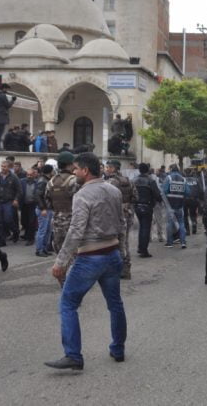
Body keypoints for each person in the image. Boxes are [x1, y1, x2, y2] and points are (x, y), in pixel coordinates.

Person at [45, 153, 127, 371]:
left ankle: (73, 355)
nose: (74, 172)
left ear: (86, 171)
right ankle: (118, 349)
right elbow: (122, 222)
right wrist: (121, 251)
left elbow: (76, 229)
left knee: (67, 303)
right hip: (112, 254)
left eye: (76, 169)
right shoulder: (114, 190)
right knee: (115, 304)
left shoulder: (82, 194)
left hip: (90, 256)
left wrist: (61, 262)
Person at [105, 159, 137, 278]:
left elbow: (105, 200)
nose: (106, 169)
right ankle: (126, 269)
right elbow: (135, 197)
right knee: (125, 242)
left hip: (114, 216)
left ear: (114, 168)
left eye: (108, 167)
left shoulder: (110, 182)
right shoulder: (128, 181)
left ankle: (114, 270)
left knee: (112, 243)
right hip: (127, 214)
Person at [47, 151, 78, 253]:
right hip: (72, 221)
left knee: (60, 252)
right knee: (73, 253)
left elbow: (47, 201)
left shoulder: (51, 181)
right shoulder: (74, 180)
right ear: (70, 164)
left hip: (56, 220)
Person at [133, 163, 161, 258]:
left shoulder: (134, 180)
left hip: (137, 206)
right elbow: (157, 194)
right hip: (147, 206)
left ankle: (140, 247)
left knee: (142, 227)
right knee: (145, 228)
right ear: (148, 170)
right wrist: (158, 200)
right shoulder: (150, 180)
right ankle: (143, 250)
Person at [161, 164, 189, 249]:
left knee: (170, 223)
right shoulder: (183, 179)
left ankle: (170, 242)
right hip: (180, 205)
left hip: (170, 205)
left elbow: (164, 191)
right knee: (181, 223)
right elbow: (188, 192)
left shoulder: (169, 178)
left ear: (171, 170)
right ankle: (183, 242)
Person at [0, 160, 21, 246]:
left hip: (9, 201)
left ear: (9, 167)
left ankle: (15, 231)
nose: (3, 168)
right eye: (2, 166)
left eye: (5, 166)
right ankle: (2, 241)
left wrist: (16, 199)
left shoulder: (14, 177)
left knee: (8, 219)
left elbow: (19, 190)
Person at [35, 164, 54, 257]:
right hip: (44, 209)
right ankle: (39, 249)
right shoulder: (42, 181)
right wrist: (43, 208)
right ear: (50, 171)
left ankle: (44, 248)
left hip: (48, 208)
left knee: (47, 230)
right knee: (43, 230)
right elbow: (38, 196)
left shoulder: (45, 180)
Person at [0, 83, 17, 151]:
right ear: (4, 88)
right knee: (0, 133)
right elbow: (8, 105)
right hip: (2, 117)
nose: (7, 90)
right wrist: (13, 100)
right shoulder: (2, 95)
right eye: (7, 89)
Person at [19, 167, 39, 246]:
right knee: (24, 221)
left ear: (34, 175)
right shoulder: (22, 182)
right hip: (24, 204)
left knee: (32, 221)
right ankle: (27, 234)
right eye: (28, 175)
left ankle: (31, 238)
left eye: (31, 175)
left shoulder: (37, 183)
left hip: (33, 204)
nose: (29, 176)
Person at [183, 169, 203, 236]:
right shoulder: (196, 180)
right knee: (193, 214)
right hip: (194, 199)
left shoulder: (183, 180)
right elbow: (200, 190)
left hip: (185, 199)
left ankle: (187, 231)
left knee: (185, 215)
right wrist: (201, 200)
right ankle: (194, 223)